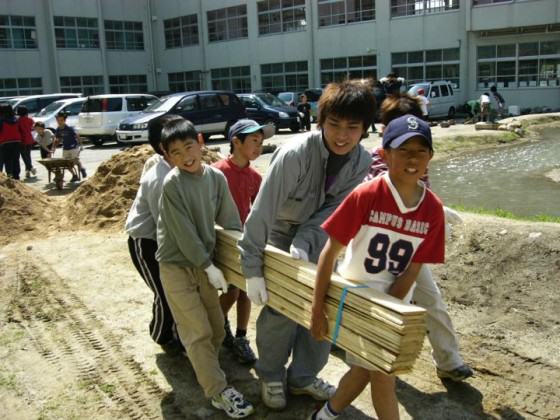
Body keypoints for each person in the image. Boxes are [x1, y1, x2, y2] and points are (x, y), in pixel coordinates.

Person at [238, 79, 376, 410]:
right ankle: (270, 375)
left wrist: (306, 242)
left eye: (352, 127)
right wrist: (252, 270)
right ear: (320, 121)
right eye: (334, 125)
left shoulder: (362, 162)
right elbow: (262, 212)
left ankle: (302, 376)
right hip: (280, 229)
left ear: (364, 128)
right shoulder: (295, 153)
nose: (342, 135)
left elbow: (334, 211)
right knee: (282, 305)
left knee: (324, 304)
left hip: (321, 235)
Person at [309, 114, 446, 420]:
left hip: (395, 302)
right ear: (384, 154)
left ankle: (326, 415)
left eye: (420, 151)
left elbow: (412, 269)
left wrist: (391, 309)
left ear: (430, 157)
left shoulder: (433, 209)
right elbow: (329, 254)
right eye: (403, 150)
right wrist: (318, 309)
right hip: (357, 298)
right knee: (384, 377)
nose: (412, 158)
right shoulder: (367, 195)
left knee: (365, 369)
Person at [365, 93, 474, 383]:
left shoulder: (417, 158)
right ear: (386, 129)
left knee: (431, 302)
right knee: (376, 304)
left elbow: (422, 195)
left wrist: (437, 212)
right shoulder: (375, 161)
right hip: (375, 253)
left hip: (410, 248)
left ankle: (449, 361)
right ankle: (364, 352)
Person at [155, 119, 254, 418]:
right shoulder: (172, 185)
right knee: (197, 331)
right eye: (175, 152)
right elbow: (184, 233)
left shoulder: (215, 178)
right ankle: (218, 391)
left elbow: (231, 221)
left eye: (189, 147)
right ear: (166, 155)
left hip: (205, 263)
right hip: (176, 265)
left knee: (214, 326)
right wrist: (208, 266)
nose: (185, 156)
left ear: (200, 142)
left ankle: (202, 362)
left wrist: (237, 259)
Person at [212, 119, 273, 365]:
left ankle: (240, 336)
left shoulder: (255, 176)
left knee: (247, 289)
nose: (258, 147)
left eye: (261, 142)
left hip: (245, 242)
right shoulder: (216, 172)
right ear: (236, 142)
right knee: (230, 291)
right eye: (254, 141)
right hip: (223, 241)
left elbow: (260, 211)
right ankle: (217, 327)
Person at [125, 114, 184, 349]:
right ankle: (162, 335)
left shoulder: (176, 167)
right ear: (165, 147)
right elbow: (166, 225)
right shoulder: (160, 178)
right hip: (146, 241)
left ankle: (175, 331)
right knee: (164, 293)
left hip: (166, 239)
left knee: (174, 291)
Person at [53, 112, 87, 181]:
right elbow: (58, 139)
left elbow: (77, 136)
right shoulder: (58, 130)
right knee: (66, 164)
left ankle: (82, 169)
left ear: (64, 120)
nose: (59, 122)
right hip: (65, 148)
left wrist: (81, 145)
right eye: (58, 120)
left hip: (73, 147)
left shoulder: (69, 128)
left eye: (61, 120)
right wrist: (54, 147)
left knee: (75, 160)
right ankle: (74, 175)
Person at [0, 104, 23, 180]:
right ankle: (16, 176)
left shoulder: (1, 120)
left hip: (5, 142)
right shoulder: (17, 119)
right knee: (16, 159)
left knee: (8, 160)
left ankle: (9, 175)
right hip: (17, 141)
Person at [16, 106, 36, 178]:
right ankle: (27, 171)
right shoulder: (30, 120)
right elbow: (33, 127)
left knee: (24, 156)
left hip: (22, 140)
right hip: (29, 139)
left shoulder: (18, 121)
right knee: (28, 155)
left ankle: (30, 167)